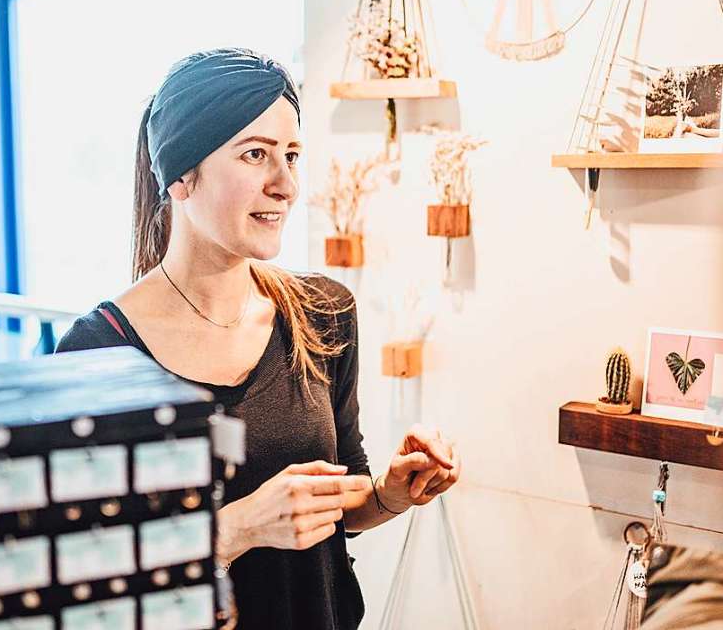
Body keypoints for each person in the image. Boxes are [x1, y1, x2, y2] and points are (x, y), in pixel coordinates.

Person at [56, 47, 462, 629]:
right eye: (256, 155)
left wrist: (390, 493)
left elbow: (338, 499)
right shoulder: (98, 353)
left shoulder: (323, 316)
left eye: (292, 155)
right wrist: (239, 527)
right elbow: (82, 571)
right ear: (181, 176)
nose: (287, 185)